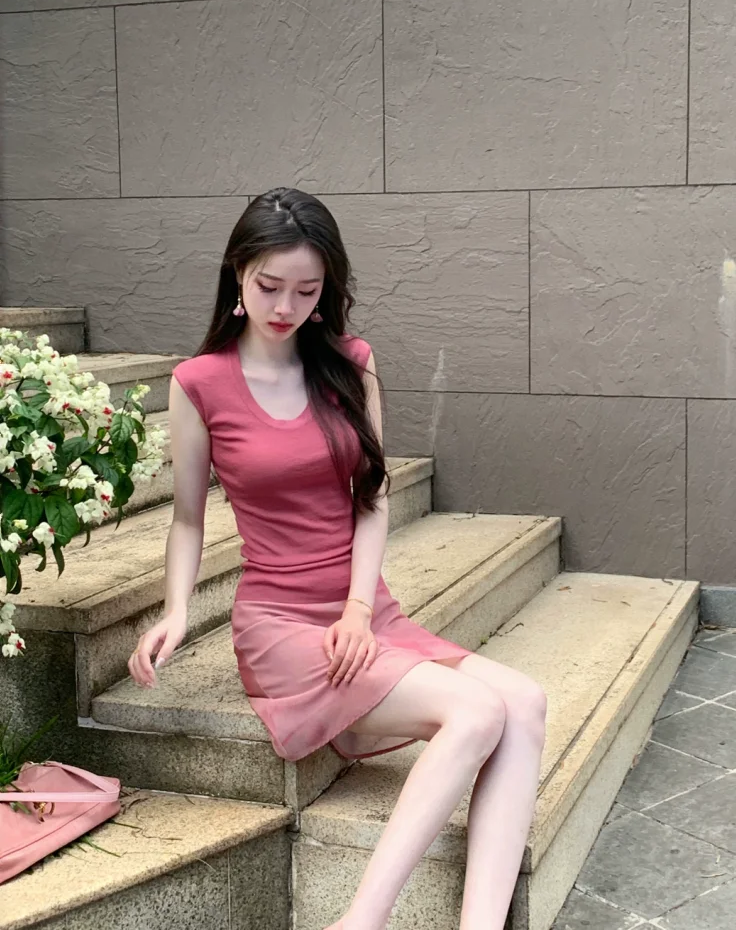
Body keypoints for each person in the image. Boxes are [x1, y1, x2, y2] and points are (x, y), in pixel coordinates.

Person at [127, 187, 547, 930]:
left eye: (307, 290)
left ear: (328, 289)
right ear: (237, 273)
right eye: (269, 286)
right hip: (280, 624)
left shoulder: (352, 363)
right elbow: (188, 519)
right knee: (478, 710)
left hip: (364, 612)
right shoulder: (199, 383)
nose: (285, 306)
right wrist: (177, 611)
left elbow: (371, 496)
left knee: (527, 703)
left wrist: (358, 609)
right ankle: (360, 921)